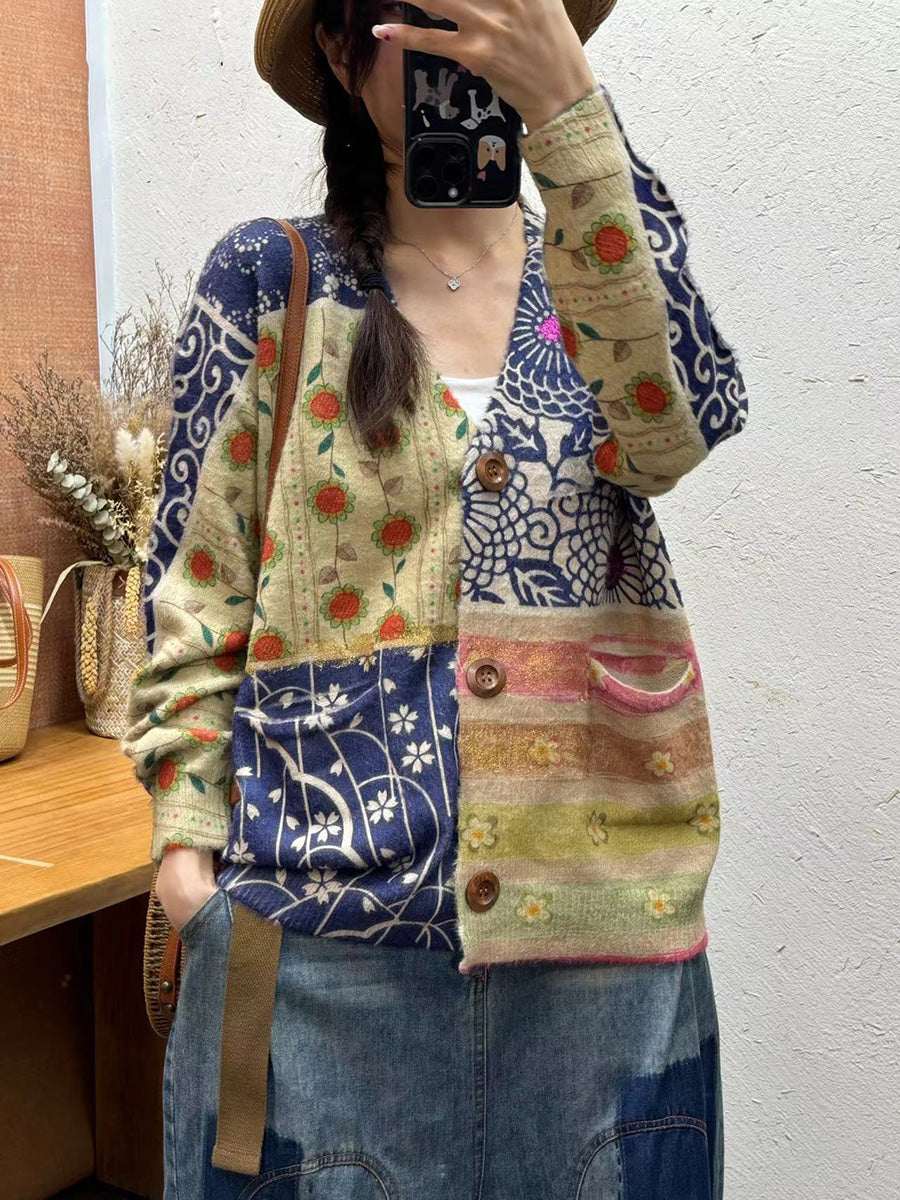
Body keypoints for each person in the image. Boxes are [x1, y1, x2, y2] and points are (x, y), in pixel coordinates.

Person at [121, 1, 748, 1196]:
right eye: (420, 10)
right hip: (315, 953)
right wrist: (188, 865)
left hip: (602, 944)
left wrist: (571, 113)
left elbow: (678, 429)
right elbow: (192, 592)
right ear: (342, 48)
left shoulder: (599, 271)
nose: (462, 37)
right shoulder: (269, 279)